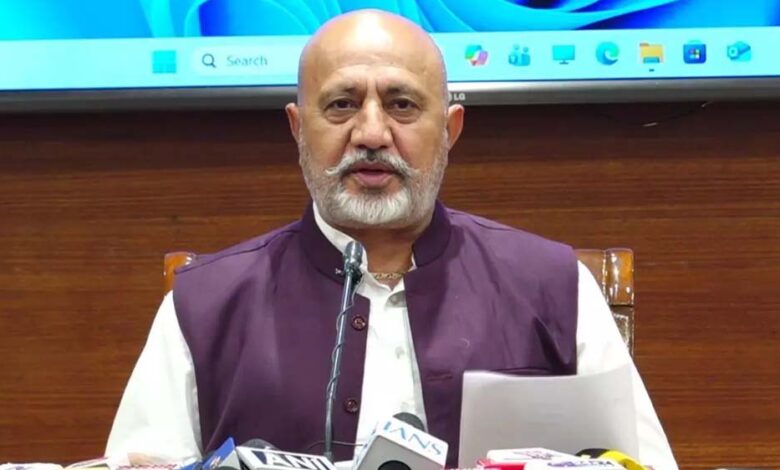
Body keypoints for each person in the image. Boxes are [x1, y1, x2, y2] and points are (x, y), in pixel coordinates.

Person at [106, 9, 677, 470]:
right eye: (342, 105)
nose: (373, 133)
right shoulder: (204, 305)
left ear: (450, 130)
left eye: (402, 105)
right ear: (298, 129)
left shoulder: (554, 286)